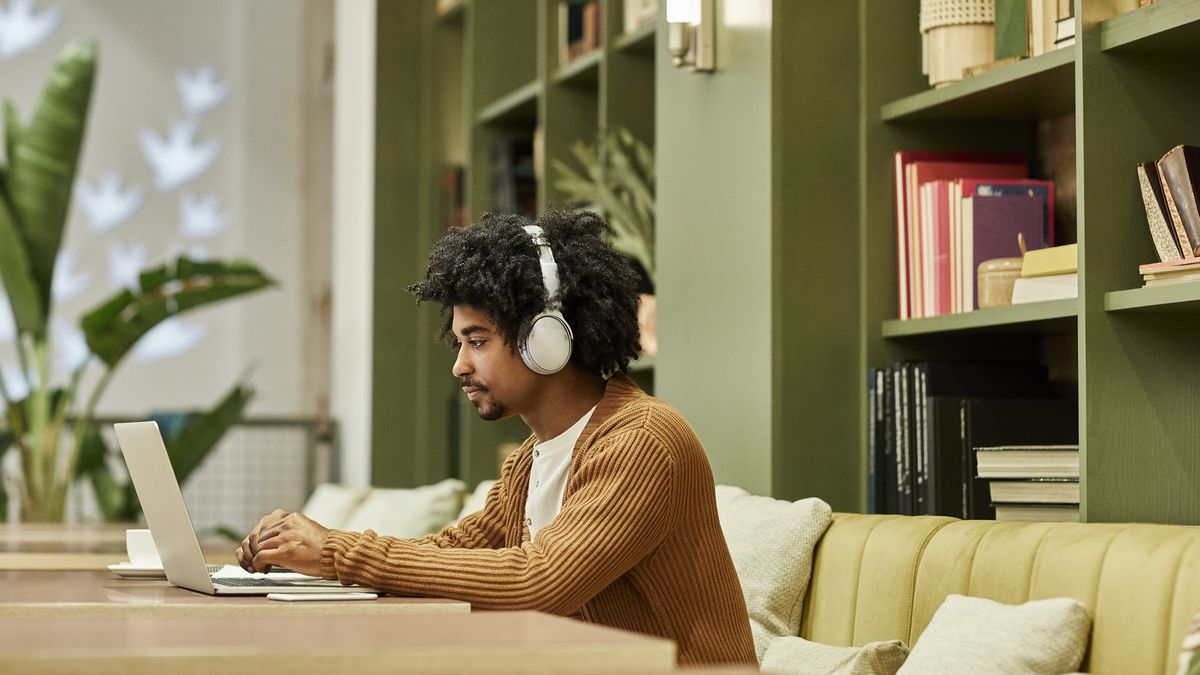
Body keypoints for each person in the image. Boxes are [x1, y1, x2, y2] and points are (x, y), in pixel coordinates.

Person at [237, 210, 756, 666]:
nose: (460, 365)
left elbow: (539, 581)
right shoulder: (531, 461)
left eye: (477, 341)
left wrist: (335, 552)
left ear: (546, 340)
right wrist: (306, 556)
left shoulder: (643, 441)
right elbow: (449, 554)